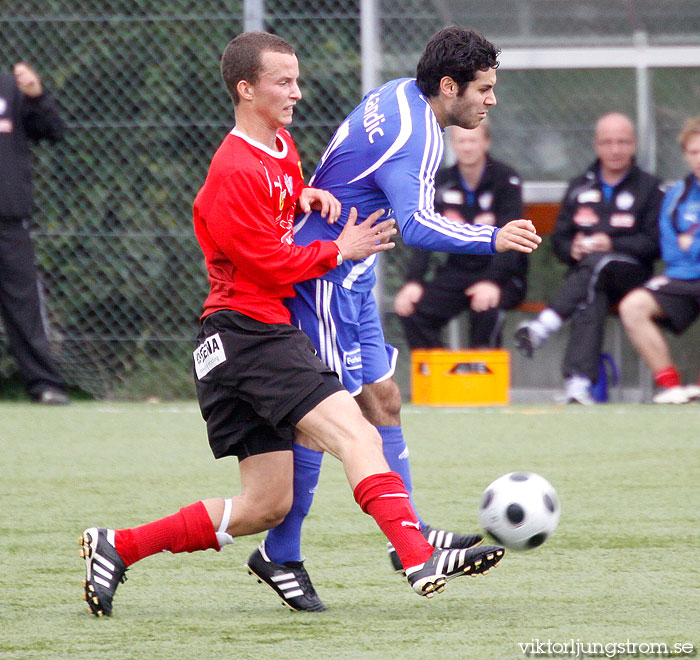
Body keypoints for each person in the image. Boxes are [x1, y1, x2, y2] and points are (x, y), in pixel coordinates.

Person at [78, 31, 506, 618]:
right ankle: (413, 552)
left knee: (265, 505)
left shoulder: (277, 147)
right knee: (355, 431)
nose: (298, 93)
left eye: (297, 80)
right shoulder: (232, 167)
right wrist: (342, 250)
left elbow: (276, 214)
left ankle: (118, 546)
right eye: (285, 82)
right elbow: (265, 262)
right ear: (245, 88)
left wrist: (306, 196)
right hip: (250, 333)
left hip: (250, 332)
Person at [249, 26, 540, 611]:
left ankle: (414, 531)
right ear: (450, 85)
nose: (491, 100)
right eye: (484, 89)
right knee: (321, 423)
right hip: (323, 280)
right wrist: (493, 238)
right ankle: (282, 551)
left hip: (352, 276)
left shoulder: (397, 93)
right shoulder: (420, 137)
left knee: (383, 400)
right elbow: (416, 225)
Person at [514, 112, 663, 404]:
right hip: (586, 278)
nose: (615, 150)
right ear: (597, 146)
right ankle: (578, 384)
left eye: (622, 142)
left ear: (633, 145)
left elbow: (655, 244)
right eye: (608, 142)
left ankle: (543, 327)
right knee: (591, 293)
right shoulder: (580, 186)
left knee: (600, 263)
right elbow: (559, 241)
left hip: (632, 276)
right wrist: (573, 248)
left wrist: (613, 242)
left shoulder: (649, 187)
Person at [394, 122, 527, 348]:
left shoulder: (506, 179)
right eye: (461, 141)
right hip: (458, 271)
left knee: (486, 308)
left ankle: (481, 380)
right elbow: (425, 234)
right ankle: (446, 379)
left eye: (472, 140)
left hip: (502, 275)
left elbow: (514, 239)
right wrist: (414, 281)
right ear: (453, 144)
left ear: (486, 142)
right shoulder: (442, 182)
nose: (466, 147)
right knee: (412, 311)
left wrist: (492, 282)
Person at [0, 62, 69, 405]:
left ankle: (44, 385)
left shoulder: (10, 85)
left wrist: (37, 96)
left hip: (10, 221)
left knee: (24, 309)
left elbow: (53, 131)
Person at [619, 116, 700, 404]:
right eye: (694, 152)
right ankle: (671, 386)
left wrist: (695, 246)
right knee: (632, 307)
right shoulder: (677, 194)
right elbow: (671, 244)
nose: (699, 158)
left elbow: (690, 244)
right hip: (681, 275)